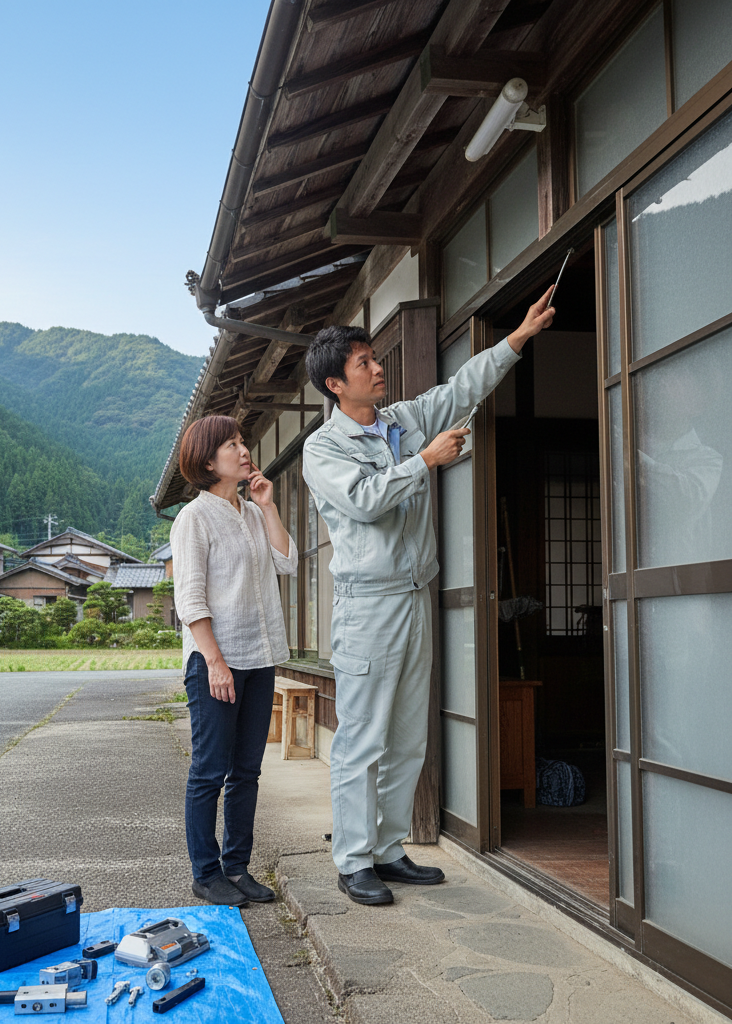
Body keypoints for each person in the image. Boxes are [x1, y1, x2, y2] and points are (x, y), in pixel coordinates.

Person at [302, 288, 556, 905]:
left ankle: (388, 850)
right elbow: (363, 501)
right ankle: (353, 859)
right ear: (336, 384)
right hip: (369, 604)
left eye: (374, 358)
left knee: (409, 734)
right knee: (363, 735)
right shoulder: (322, 448)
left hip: (415, 596)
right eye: (364, 362)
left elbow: (462, 389)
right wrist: (424, 462)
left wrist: (518, 338)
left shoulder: (402, 418)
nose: (377, 367)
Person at [171, 414, 297, 907]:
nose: (243, 450)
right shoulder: (193, 518)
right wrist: (216, 663)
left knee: (247, 770)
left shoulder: (249, 511)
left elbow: (287, 561)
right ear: (207, 460)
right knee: (209, 770)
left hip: (260, 656)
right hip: (215, 662)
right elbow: (191, 600)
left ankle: (237, 868)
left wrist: (266, 507)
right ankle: (205, 873)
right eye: (231, 444)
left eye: (243, 441)